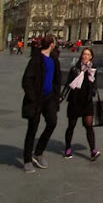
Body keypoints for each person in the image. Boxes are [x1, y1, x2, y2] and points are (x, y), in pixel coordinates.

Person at [21, 34, 61, 173]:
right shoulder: (36, 59)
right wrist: (32, 97)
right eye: (55, 42)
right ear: (51, 44)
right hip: (36, 99)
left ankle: (38, 152)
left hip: (49, 97)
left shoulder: (54, 60)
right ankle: (27, 160)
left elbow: (57, 80)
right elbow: (26, 80)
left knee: (52, 122)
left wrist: (56, 96)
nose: (56, 44)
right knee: (32, 128)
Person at [61, 47, 101, 161]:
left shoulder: (93, 70)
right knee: (71, 126)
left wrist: (93, 89)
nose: (85, 56)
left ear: (91, 57)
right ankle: (68, 148)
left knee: (89, 126)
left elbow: (95, 84)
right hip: (75, 100)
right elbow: (68, 84)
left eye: (88, 54)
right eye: (84, 54)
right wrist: (62, 96)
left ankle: (93, 150)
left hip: (87, 102)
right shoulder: (75, 69)